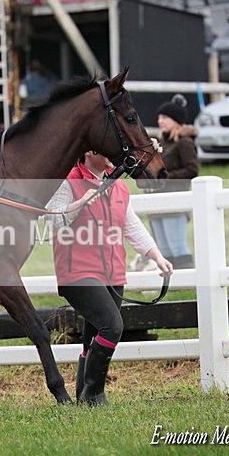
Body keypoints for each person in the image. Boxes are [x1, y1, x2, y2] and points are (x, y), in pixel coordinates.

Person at [45, 151, 173, 406]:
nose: (115, 155)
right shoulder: (67, 182)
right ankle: (94, 395)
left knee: (94, 334)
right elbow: (51, 221)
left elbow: (131, 226)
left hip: (113, 272)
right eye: (108, 150)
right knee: (112, 326)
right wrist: (80, 203)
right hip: (77, 273)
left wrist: (157, 256)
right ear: (90, 152)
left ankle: (83, 395)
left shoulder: (118, 187)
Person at [148, 94, 199, 270]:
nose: (159, 120)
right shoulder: (161, 143)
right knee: (163, 247)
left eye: (164, 117)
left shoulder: (184, 142)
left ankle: (187, 279)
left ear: (175, 120)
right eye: (159, 117)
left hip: (174, 198)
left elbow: (192, 169)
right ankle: (172, 283)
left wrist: (164, 177)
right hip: (156, 199)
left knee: (177, 245)